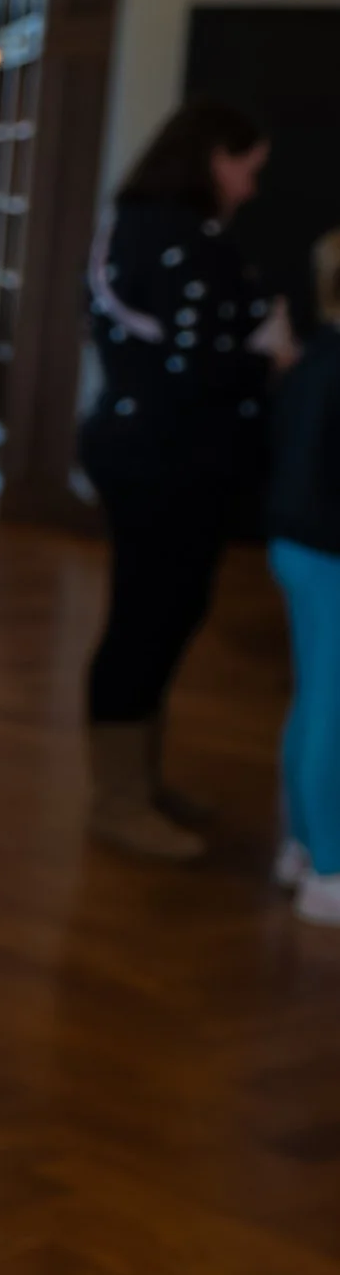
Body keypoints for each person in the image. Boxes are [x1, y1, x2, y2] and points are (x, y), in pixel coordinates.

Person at [79, 99, 290, 858]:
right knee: (150, 616)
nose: (251, 187)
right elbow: (196, 368)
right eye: (247, 168)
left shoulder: (133, 222)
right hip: (166, 456)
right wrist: (272, 357)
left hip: (141, 445)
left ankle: (139, 782)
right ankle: (120, 799)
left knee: (159, 611)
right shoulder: (186, 239)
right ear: (212, 158)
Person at [269, 227, 340, 925]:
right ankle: (330, 868)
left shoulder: (315, 355)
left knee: (315, 698)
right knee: (332, 707)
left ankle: (300, 846)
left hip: (297, 545)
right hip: (328, 555)